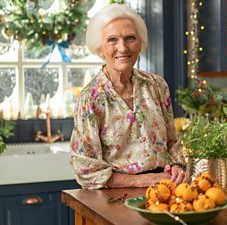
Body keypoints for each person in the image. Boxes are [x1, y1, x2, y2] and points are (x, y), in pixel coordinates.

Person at [70, 4, 185, 189]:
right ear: (100, 48)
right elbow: (86, 171)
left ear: (140, 44)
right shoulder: (91, 98)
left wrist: (178, 166)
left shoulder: (157, 86)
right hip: (116, 195)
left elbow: (172, 144)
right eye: (112, 40)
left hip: (164, 188)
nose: (122, 48)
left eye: (130, 38)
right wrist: (144, 181)